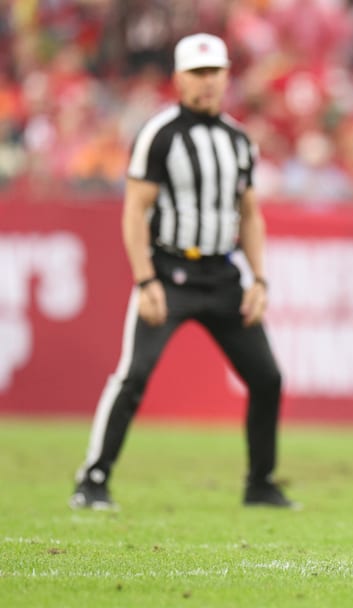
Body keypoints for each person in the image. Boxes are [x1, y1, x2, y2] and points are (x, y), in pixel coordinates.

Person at [69, 33, 295, 510]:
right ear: (178, 78)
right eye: (197, 72)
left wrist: (259, 278)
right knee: (133, 375)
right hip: (169, 272)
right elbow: (135, 211)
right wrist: (145, 280)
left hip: (222, 275)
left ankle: (260, 483)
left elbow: (249, 214)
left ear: (227, 76)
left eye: (214, 72)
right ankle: (93, 479)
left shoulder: (238, 140)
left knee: (267, 377)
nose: (207, 81)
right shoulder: (160, 133)